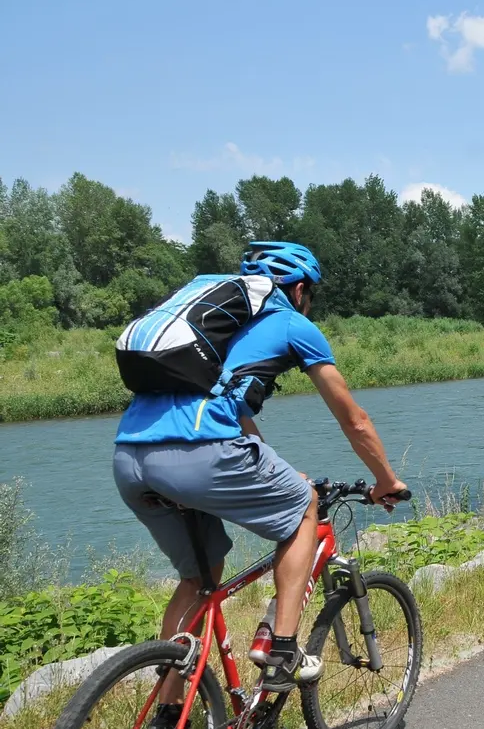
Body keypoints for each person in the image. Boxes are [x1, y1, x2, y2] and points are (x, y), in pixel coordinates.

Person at [112, 241, 407, 724]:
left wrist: (277, 468)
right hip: (199, 453)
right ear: (299, 289)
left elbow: (238, 412)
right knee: (304, 507)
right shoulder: (291, 322)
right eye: (309, 294)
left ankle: (170, 707)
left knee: (199, 578)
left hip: (130, 458)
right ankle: (282, 650)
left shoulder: (215, 336)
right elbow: (353, 419)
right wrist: (385, 479)